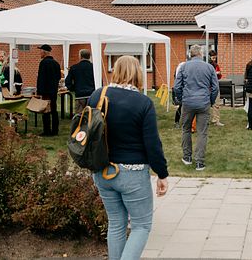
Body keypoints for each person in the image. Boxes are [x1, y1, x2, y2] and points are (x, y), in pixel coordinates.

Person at [87, 55, 168, 260]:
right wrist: (162, 173)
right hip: (132, 174)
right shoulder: (142, 102)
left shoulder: (97, 96)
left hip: (103, 170)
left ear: (116, 71)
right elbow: (152, 143)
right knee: (141, 226)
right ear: (138, 73)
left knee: (116, 223)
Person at [173, 44, 218, 171]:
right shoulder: (209, 67)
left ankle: (187, 157)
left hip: (188, 102)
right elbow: (215, 87)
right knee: (202, 132)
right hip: (203, 102)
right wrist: (211, 100)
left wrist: (181, 99)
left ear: (190, 54)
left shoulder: (184, 67)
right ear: (201, 54)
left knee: (186, 129)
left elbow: (177, 86)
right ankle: (200, 162)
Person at [36, 44, 62, 136]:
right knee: (54, 111)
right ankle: (55, 130)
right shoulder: (56, 63)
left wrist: (39, 92)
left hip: (45, 91)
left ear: (44, 52)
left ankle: (47, 131)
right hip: (53, 91)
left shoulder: (43, 63)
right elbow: (59, 77)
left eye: (40, 51)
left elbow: (41, 78)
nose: (39, 53)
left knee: (46, 111)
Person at [65, 49, 95, 113]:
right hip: (92, 95)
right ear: (89, 57)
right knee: (91, 115)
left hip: (80, 95)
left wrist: (73, 88)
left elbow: (68, 82)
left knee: (79, 116)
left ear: (80, 56)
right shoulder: (94, 67)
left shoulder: (74, 67)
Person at [208, 50, 224, 127]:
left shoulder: (216, 65)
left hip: (215, 86)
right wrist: (215, 73)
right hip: (208, 87)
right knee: (206, 105)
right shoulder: (207, 65)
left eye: (215, 58)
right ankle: (205, 120)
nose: (214, 59)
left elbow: (220, 76)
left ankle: (216, 120)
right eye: (213, 58)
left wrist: (219, 73)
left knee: (216, 104)